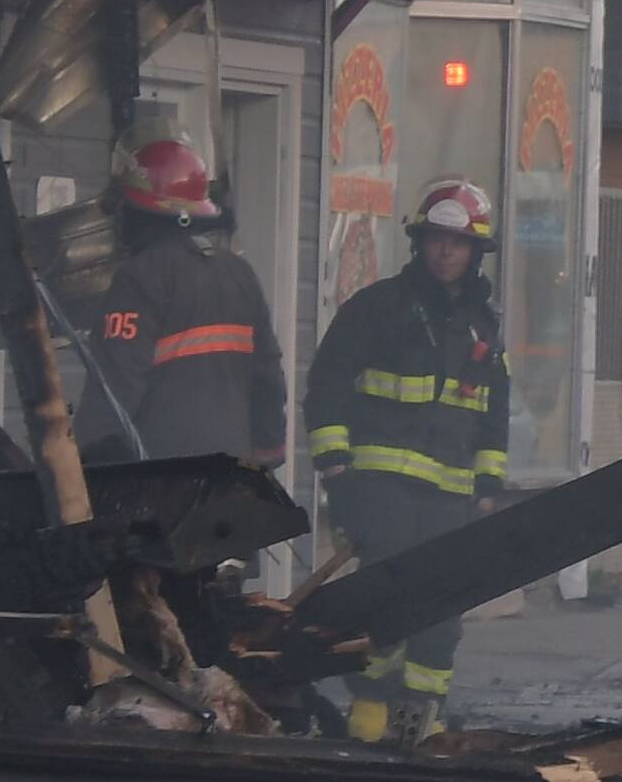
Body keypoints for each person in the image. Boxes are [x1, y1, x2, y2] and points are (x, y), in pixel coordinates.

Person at [304, 179, 512, 739]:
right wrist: (336, 468)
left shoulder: (482, 328)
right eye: (437, 240)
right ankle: (370, 717)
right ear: (420, 244)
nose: (446, 252)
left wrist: (489, 485)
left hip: (450, 498)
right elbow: (326, 388)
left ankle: (419, 723)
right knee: (385, 603)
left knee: (441, 614)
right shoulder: (376, 309)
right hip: (379, 488)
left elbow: (493, 415)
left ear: (475, 253)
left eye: (459, 243)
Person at [86, 130, 287, 468]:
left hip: (160, 480)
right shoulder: (239, 273)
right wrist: (267, 448)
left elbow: (114, 388)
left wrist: (87, 466)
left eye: (124, 208)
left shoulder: (141, 277)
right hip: (232, 478)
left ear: (142, 212)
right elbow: (267, 375)